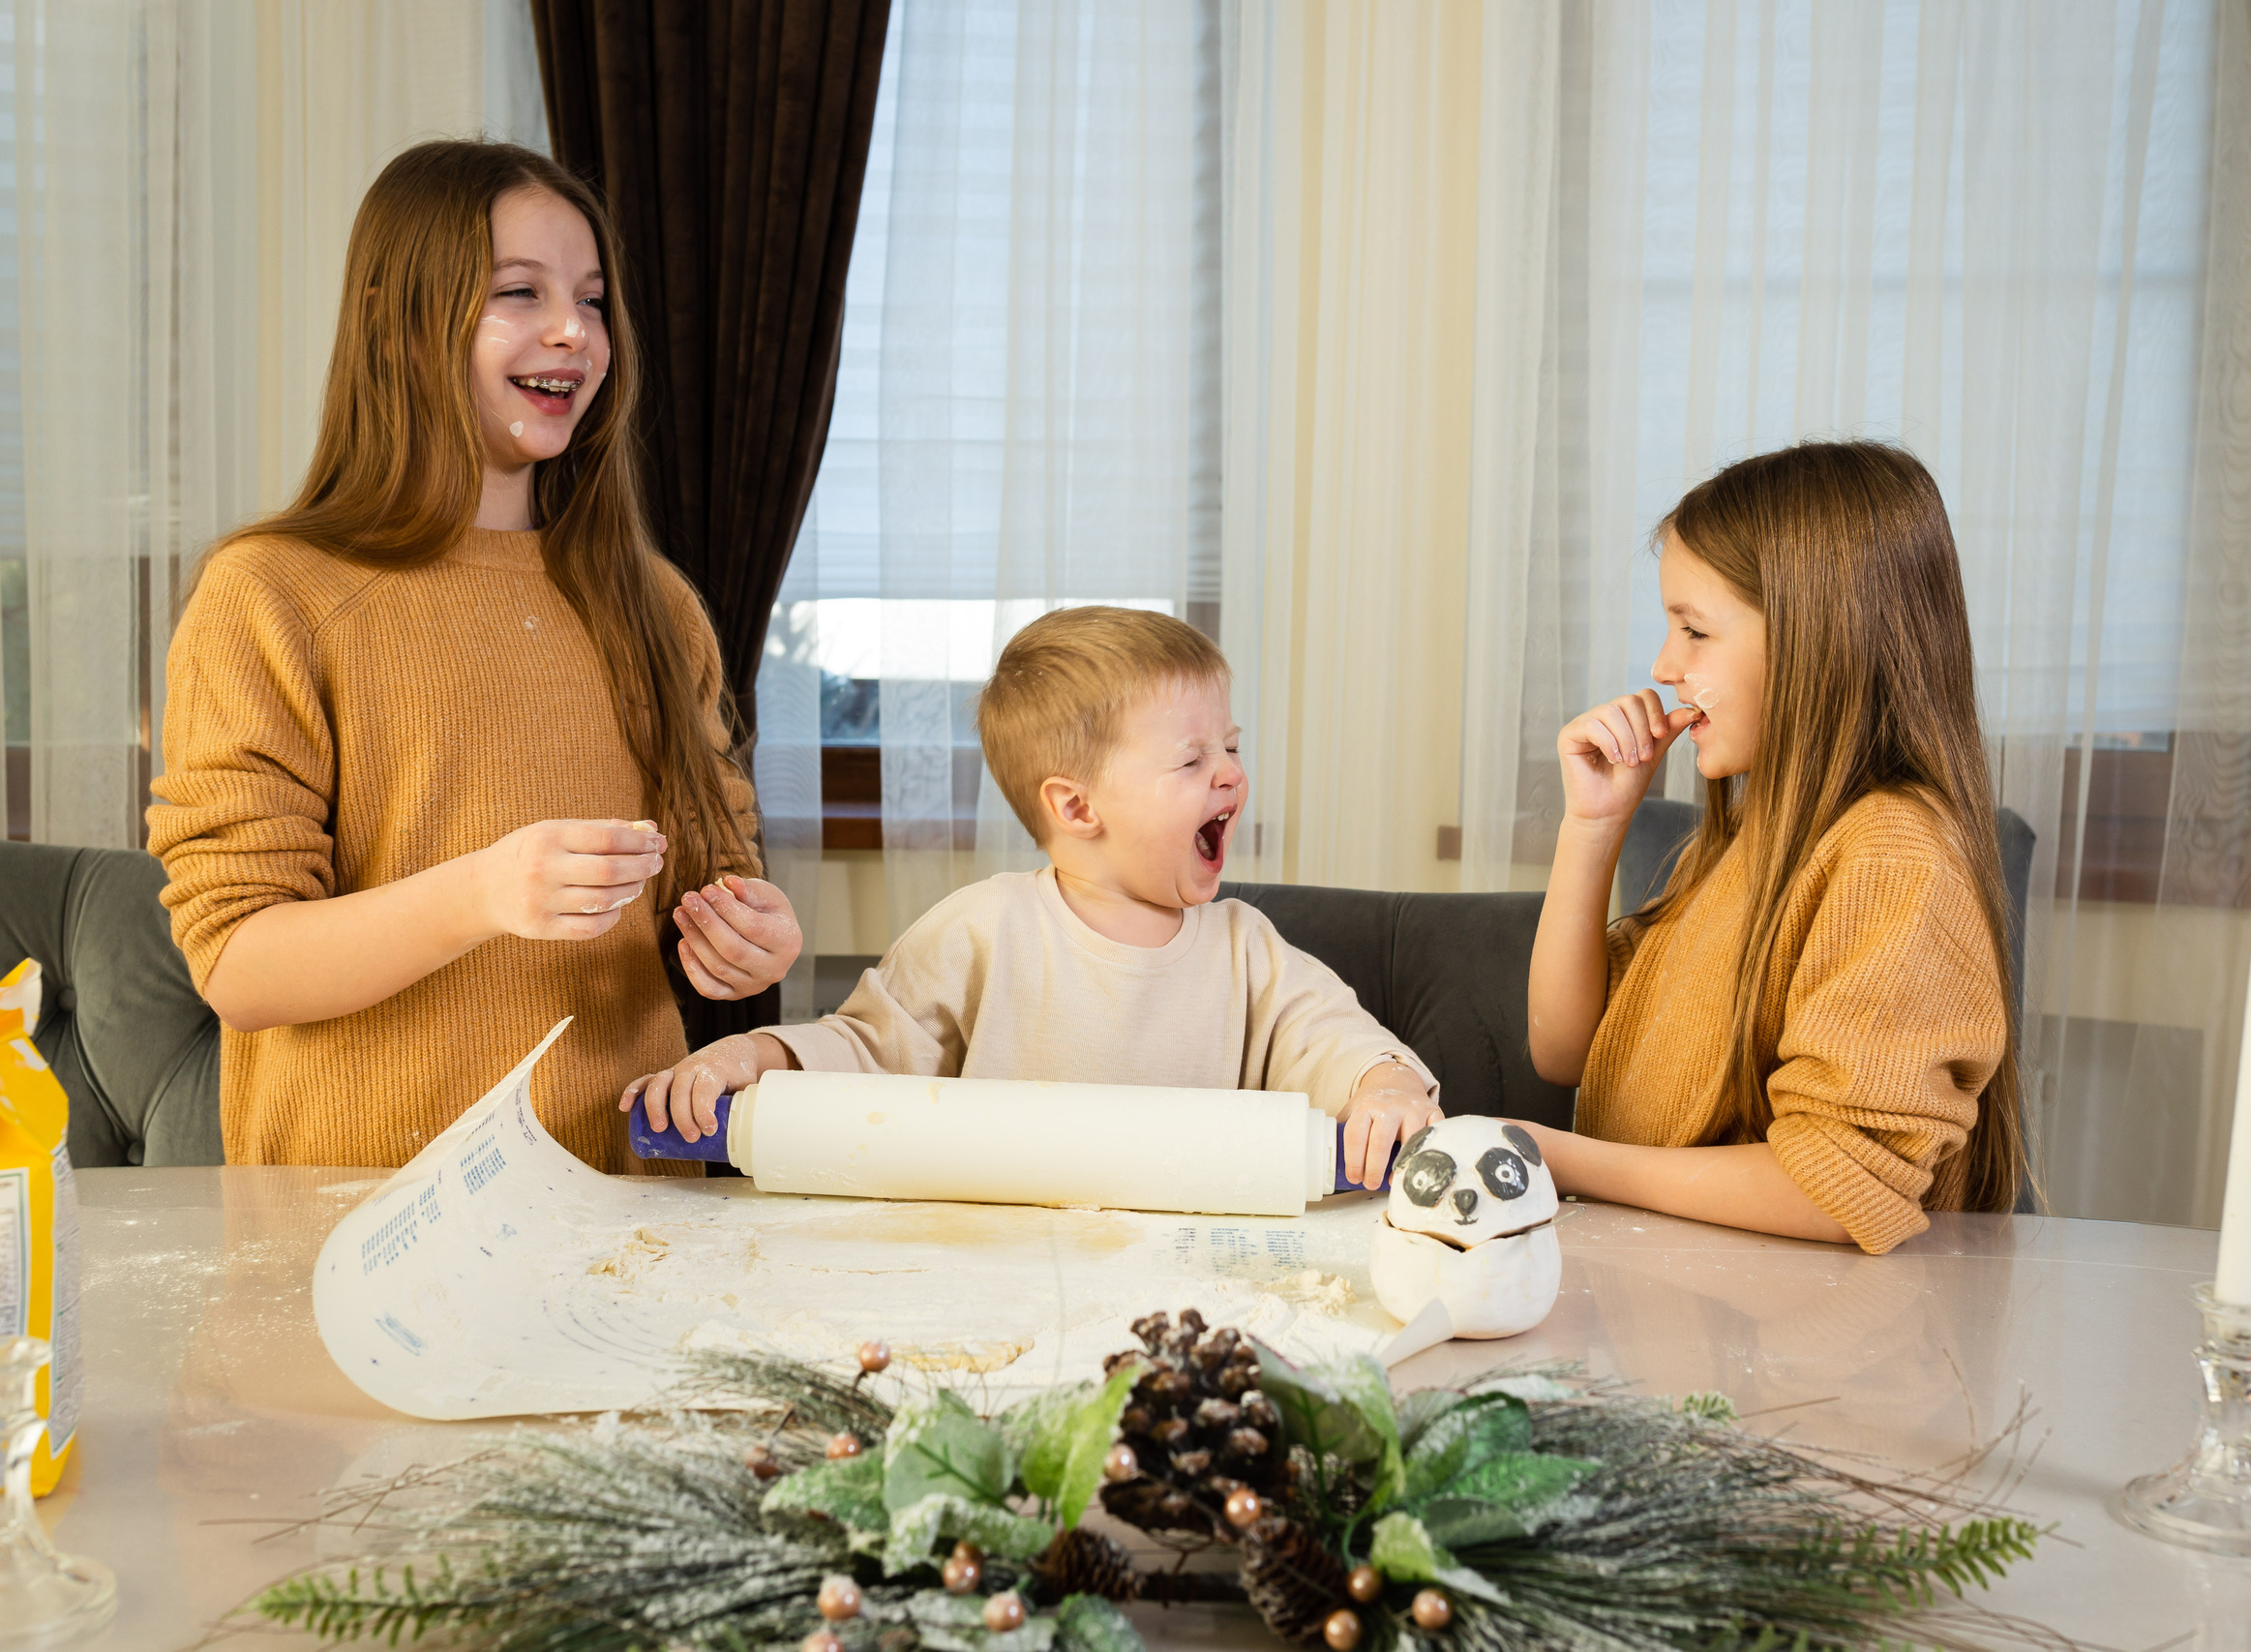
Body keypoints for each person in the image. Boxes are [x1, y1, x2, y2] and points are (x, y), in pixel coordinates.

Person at [148, 141, 800, 1172]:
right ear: (400, 321)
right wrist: (482, 894)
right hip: (353, 1224)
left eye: (590, 300)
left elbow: (708, 874)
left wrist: (741, 936)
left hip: (624, 1205)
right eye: (518, 292)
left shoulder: (656, 606)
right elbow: (240, 962)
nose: (571, 332)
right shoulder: (268, 593)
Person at [622, 607, 1440, 1188]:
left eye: (1230, 747)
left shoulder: (1244, 947)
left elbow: (1332, 1036)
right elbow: (865, 1052)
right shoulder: (983, 929)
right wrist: (748, 1058)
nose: (1230, 772)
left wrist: (1383, 1085)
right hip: (988, 1270)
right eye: (1191, 761)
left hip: (1180, 1276)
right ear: (1077, 807)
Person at [1521, 440, 2021, 1254]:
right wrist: (1593, 826)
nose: (1663, 665)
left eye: (1694, 630)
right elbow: (1562, 1045)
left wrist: (1562, 1158)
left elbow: (1835, 1184)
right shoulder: (1746, 841)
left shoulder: (1893, 856)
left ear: (1813, 639)